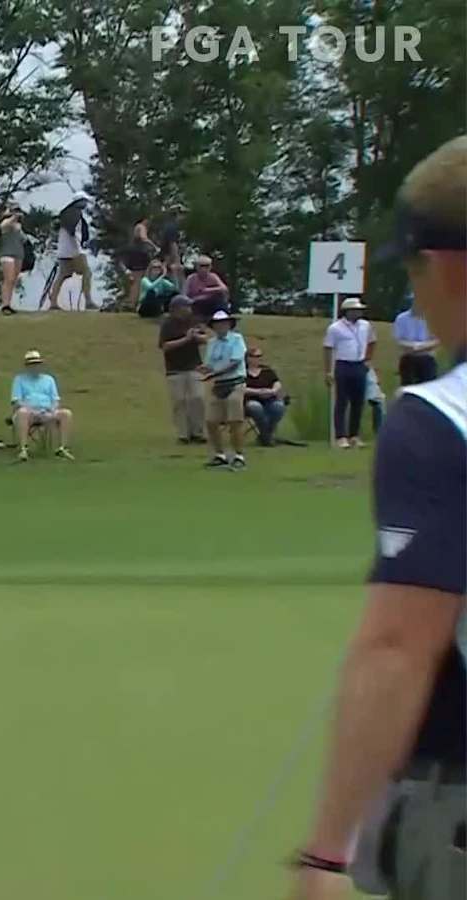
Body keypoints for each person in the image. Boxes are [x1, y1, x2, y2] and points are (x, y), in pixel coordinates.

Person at [291, 135, 465, 900]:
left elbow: (399, 646)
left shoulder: (439, 419)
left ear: (450, 266)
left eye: (416, 268)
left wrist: (327, 855)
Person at [323, 297, 377, 448]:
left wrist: (368, 359)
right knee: (341, 401)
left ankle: (354, 435)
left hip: (359, 365)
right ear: (347, 311)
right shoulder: (335, 328)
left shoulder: (366, 325)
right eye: (355, 310)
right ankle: (341, 436)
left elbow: (372, 341)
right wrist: (328, 371)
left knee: (358, 402)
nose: (358, 313)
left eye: (359, 310)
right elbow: (328, 348)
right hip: (343, 365)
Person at [199, 309, 249, 469]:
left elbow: (235, 362)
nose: (220, 326)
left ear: (229, 324)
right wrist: (204, 369)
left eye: (223, 323)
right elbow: (210, 364)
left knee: (235, 421)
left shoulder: (237, 339)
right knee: (211, 421)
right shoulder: (212, 343)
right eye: (217, 324)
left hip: (235, 383)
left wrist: (214, 372)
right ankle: (220, 454)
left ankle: (239, 455)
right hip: (218, 384)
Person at [157, 296, 208, 443]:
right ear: (177, 308)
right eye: (186, 306)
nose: (190, 309)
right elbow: (165, 346)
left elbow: (205, 339)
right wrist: (186, 339)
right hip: (174, 368)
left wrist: (196, 336)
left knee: (197, 398)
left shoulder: (194, 321)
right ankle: (183, 434)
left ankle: (198, 432)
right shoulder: (167, 325)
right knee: (179, 401)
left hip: (194, 366)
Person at [10, 349, 75, 460]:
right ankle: (23, 450)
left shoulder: (49, 380)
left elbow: (55, 399)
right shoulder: (19, 379)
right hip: (29, 413)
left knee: (66, 414)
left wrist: (52, 411)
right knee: (22, 412)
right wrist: (33, 411)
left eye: (37, 364)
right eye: (32, 364)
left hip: (47, 412)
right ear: (27, 366)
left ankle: (63, 448)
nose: (35, 367)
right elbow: (16, 401)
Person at [45, 194, 92, 311]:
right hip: (74, 249)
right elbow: (75, 233)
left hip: (63, 250)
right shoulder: (74, 215)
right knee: (87, 272)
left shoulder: (66, 214)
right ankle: (88, 301)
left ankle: (53, 302)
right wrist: (79, 250)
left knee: (62, 275)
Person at [242, 347, 287, 446]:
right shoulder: (242, 371)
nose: (257, 359)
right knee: (255, 407)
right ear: (247, 358)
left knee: (279, 406)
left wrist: (272, 391)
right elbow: (242, 388)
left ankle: (265, 435)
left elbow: (277, 383)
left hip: (269, 399)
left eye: (259, 356)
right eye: (254, 356)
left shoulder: (266, 370)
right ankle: (267, 437)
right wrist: (259, 392)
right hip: (250, 400)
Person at [393, 295, 440, 385]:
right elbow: (399, 340)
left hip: (427, 358)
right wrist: (414, 347)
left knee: (427, 388)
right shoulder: (401, 318)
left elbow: (436, 340)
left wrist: (419, 347)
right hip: (408, 358)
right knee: (408, 387)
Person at [121, 216, 159, 311]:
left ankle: (133, 301)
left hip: (136, 254)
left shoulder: (137, 228)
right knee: (139, 279)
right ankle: (132, 303)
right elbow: (143, 238)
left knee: (139, 279)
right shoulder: (141, 227)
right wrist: (154, 247)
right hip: (138, 254)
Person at [0, 204, 26, 315]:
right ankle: (5, 305)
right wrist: (13, 216)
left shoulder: (19, 227)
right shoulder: (6, 224)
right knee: (8, 279)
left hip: (18, 254)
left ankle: (9, 303)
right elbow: (3, 226)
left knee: (13, 280)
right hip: (7, 254)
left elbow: (23, 239)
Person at [183, 254, 231, 319]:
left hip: (211, 302)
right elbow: (185, 294)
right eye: (201, 266)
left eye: (207, 266)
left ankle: (224, 317)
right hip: (197, 303)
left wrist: (207, 290)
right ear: (196, 267)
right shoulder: (191, 278)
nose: (204, 269)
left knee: (221, 298)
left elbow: (224, 288)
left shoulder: (213, 276)